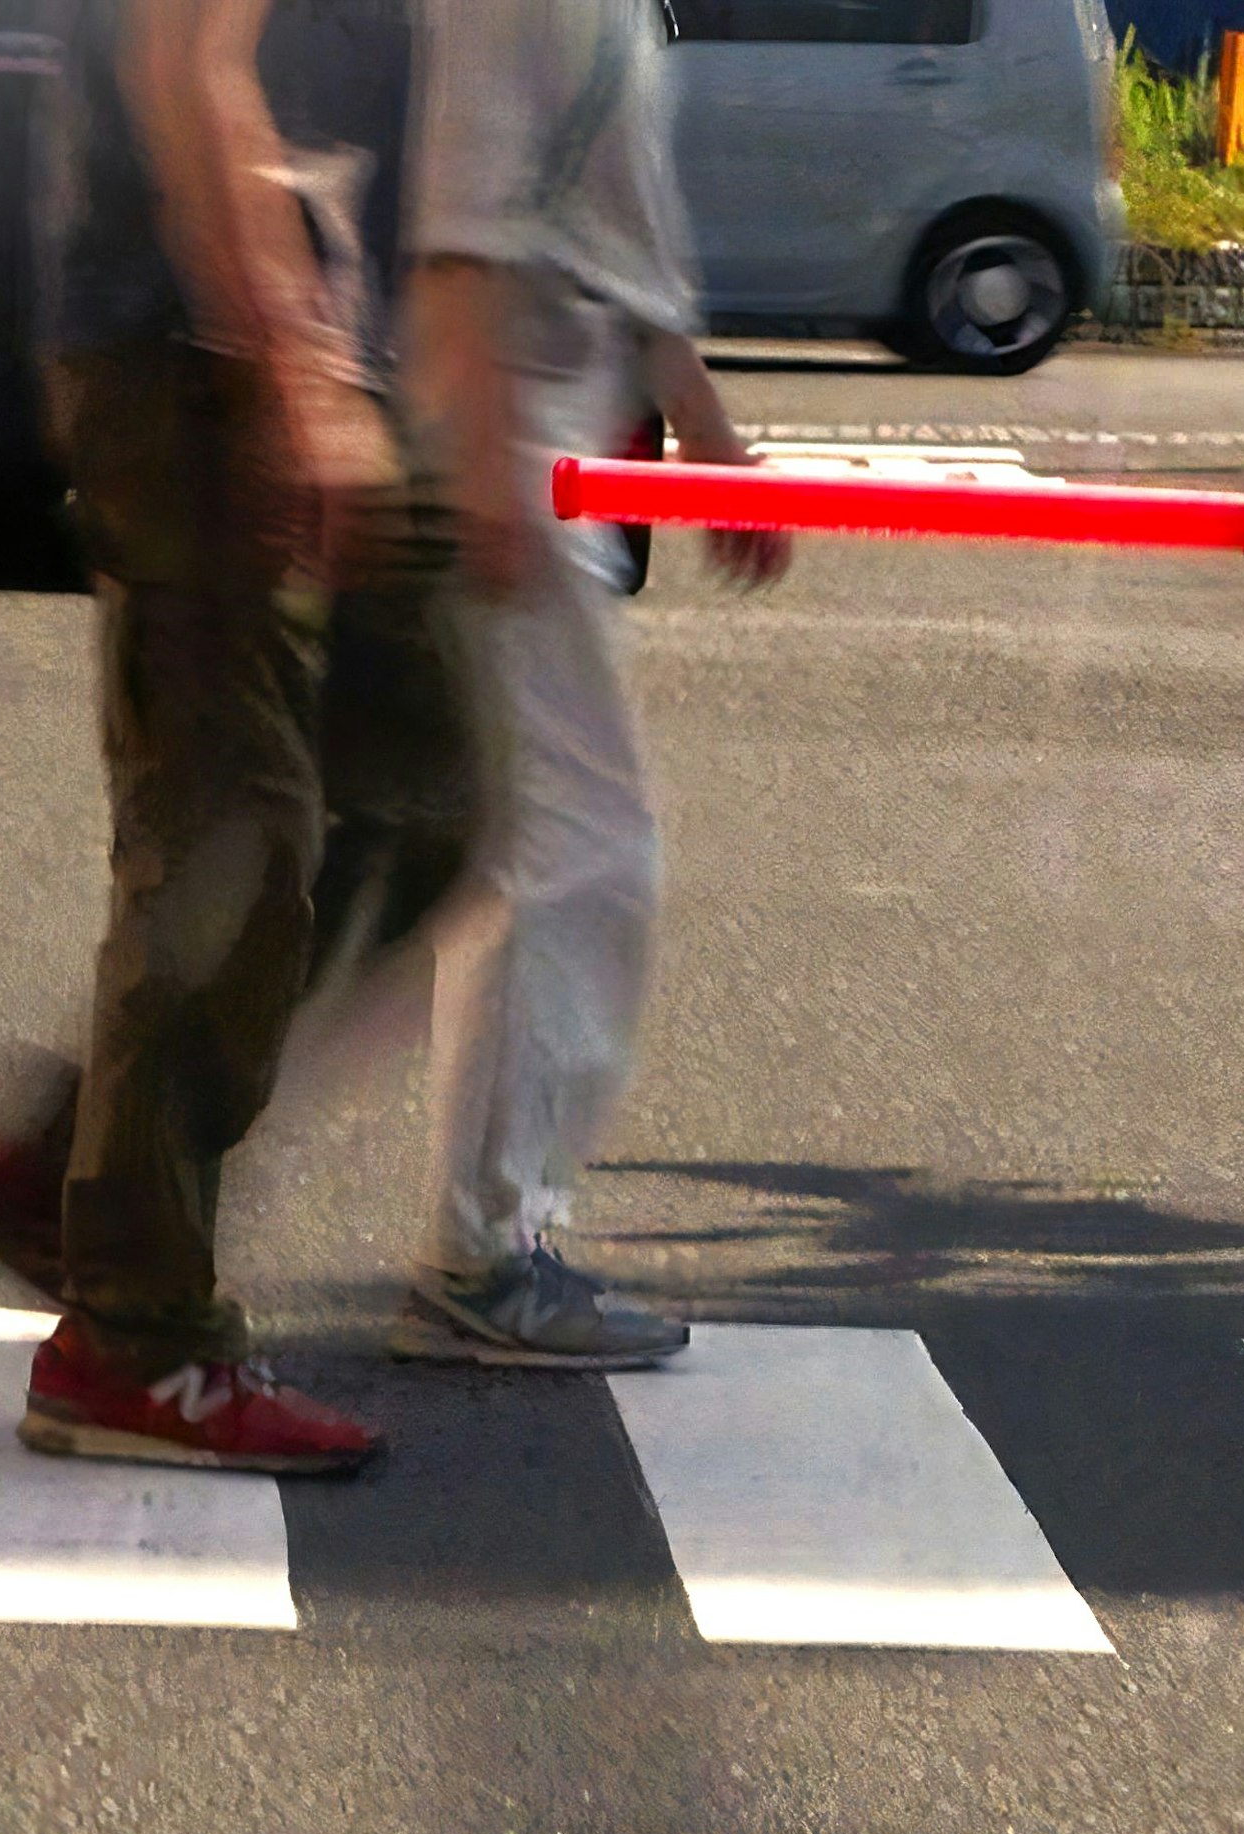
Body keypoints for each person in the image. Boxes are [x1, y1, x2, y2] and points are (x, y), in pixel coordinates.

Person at [0, 0, 474, 1473]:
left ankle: (77, 1176)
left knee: (431, 798)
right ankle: (136, 1334)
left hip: (305, 333)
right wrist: (295, 378)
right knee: (235, 836)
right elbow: (186, 54)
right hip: (191, 354)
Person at [390, 0, 783, 1370]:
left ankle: (480, 1239)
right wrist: (491, 465)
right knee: (579, 857)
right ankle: (482, 1253)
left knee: (468, 864)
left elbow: (616, 227)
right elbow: (464, 214)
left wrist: (706, 427)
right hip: (503, 449)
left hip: (539, 448)